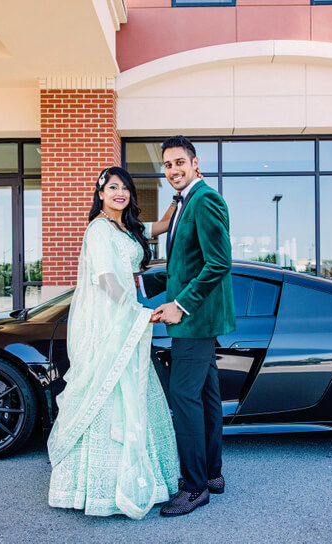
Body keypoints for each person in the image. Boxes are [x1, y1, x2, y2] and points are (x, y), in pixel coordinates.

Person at [47, 166, 179, 519]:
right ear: (101, 194)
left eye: (125, 188)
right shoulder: (98, 230)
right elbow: (105, 278)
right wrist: (136, 311)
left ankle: (144, 479)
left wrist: (177, 200)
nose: (120, 193)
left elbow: (158, 227)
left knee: (134, 391)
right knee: (106, 392)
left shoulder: (126, 228)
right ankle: (92, 489)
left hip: (126, 323)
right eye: (113, 187)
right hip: (109, 322)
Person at [143, 135, 236, 517]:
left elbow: (219, 263)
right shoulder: (183, 204)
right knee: (207, 398)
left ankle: (195, 487)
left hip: (195, 320)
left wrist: (180, 305)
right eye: (167, 165)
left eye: (179, 162)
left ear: (195, 164)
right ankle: (212, 473)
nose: (173, 170)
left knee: (183, 398)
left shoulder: (206, 200)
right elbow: (185, 265)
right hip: (198, 317)